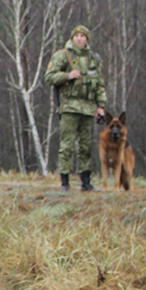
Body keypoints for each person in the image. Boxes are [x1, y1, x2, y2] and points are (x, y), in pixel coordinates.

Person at [46, 24, 108, 191]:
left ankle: (86, 182)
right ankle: (65, 183)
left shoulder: (94, 58)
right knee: (67, 146)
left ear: (87, 39)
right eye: (77, 36)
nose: (79, 39)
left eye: (82, 36)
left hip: (88, 108)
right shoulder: (62, 56)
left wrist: (100, 106)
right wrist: (67, 75)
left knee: (86, 147)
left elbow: (100, 84)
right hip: (69, 107)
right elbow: (49, 76)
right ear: (72, 38)